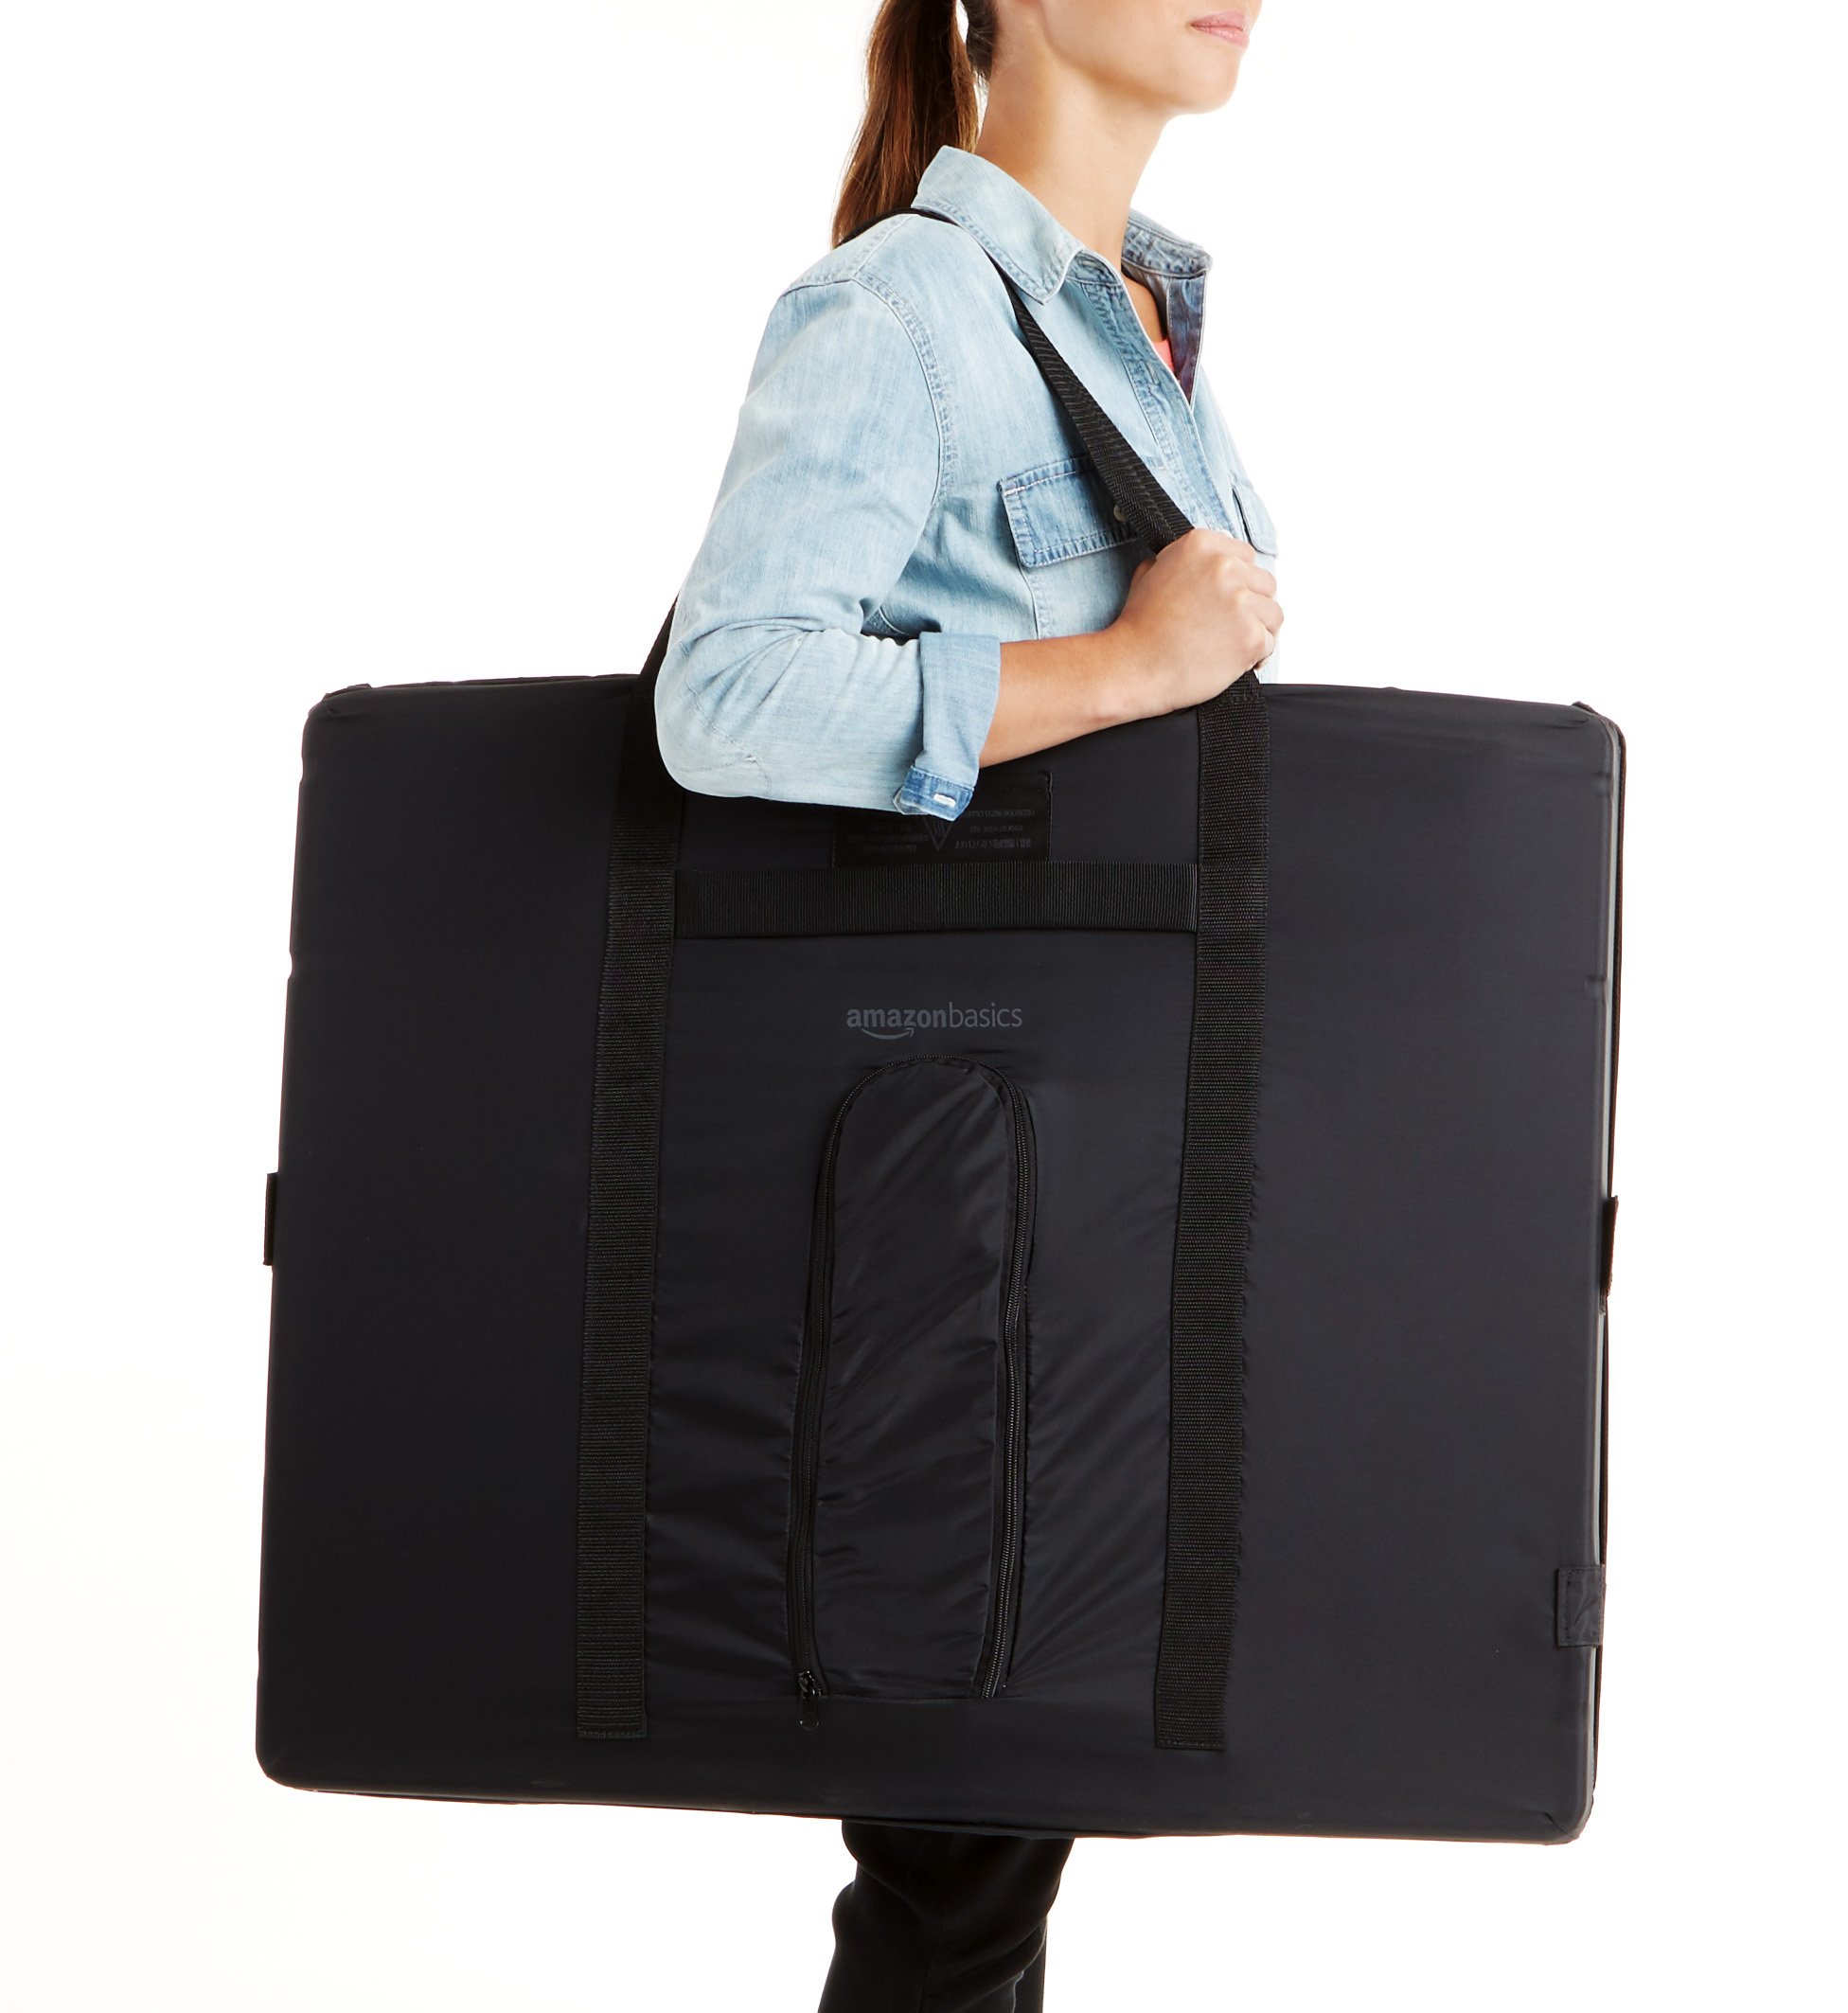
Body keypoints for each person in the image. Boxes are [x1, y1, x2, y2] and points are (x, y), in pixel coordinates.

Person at [658, 3, 1279, 2005]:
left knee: (986, 1843)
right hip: (944, 1215)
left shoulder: (1139, 330)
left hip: (1096, 1213)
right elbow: (725, 695)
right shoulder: (896, 314)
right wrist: (1128, 668)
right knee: (963, 1845)